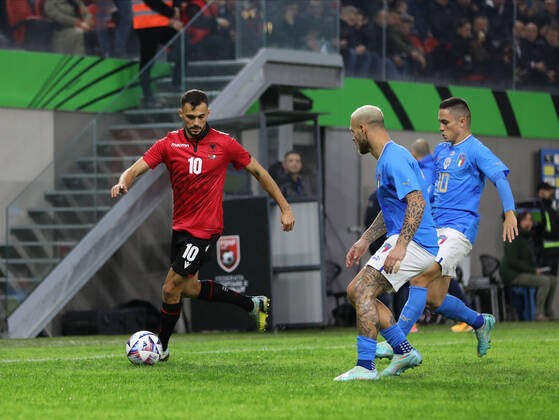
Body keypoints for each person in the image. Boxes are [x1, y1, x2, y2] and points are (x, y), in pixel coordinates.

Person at [110, 89, 295, 361]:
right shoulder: (169, 144)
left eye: (200, 117)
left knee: (170, 287)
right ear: (181, 115)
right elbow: (137, 167)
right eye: (190, 117)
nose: (196, 123)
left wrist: (285, 207)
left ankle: (160, 347)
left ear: (208, 114)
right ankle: (253, 305)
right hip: (180, 229)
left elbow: (259, 172)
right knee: (189, 289)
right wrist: (124, 180)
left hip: (206, 230)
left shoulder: (224, 143)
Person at [374, 97, 518, 360]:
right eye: (439, 122)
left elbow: (499, 177)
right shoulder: (441, 151)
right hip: (436, 229)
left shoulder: (476, 150)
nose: (440, 127)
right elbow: (429, 190)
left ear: (462, 122)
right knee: (435, 299)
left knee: (419, 277)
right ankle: (479, 322)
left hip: (459, 229)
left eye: (445, 122)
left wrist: (509, 212)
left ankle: (397, 343)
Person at [334, 105, 439, 381]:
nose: (353, 138)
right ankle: (403, 351)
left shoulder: (393, 159)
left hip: (415, 242)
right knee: (356, 290)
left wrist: (402, 245)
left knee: (365, 290)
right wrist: (365, 238)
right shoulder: (387, 159)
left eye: (352, 132)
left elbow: (416, 201)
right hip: (404, 238)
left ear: (363, 129)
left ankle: (366, 366)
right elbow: (392, 207)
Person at [500, 211, 557, 320]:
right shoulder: (513, 235)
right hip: (513, 274)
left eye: (530, 220)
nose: (528, 223)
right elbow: (513, 261)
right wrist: (533, 271)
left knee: (553, 280)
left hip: (525, 272)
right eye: (525, 220)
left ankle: (548, 311)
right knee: (544, 281)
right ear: (519, 222)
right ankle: (538, 314)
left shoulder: (528, 238)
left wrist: (536, 269)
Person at [132, 0, 183, 108]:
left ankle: (174, 85)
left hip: (156, 23)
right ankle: (149, 97)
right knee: (147, 62)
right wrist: (172, 13)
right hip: (149, 23)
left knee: (147, 61)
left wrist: (177, 7)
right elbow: (152, 2)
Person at [535, 181, 559, 274]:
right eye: (549, 190)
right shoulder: (538, 209)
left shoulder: (552, 210)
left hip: (555, 253)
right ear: (541, 192)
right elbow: (538, 232)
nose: (551, 193)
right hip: (544, 254)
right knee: (545, 282)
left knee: (552, 282)